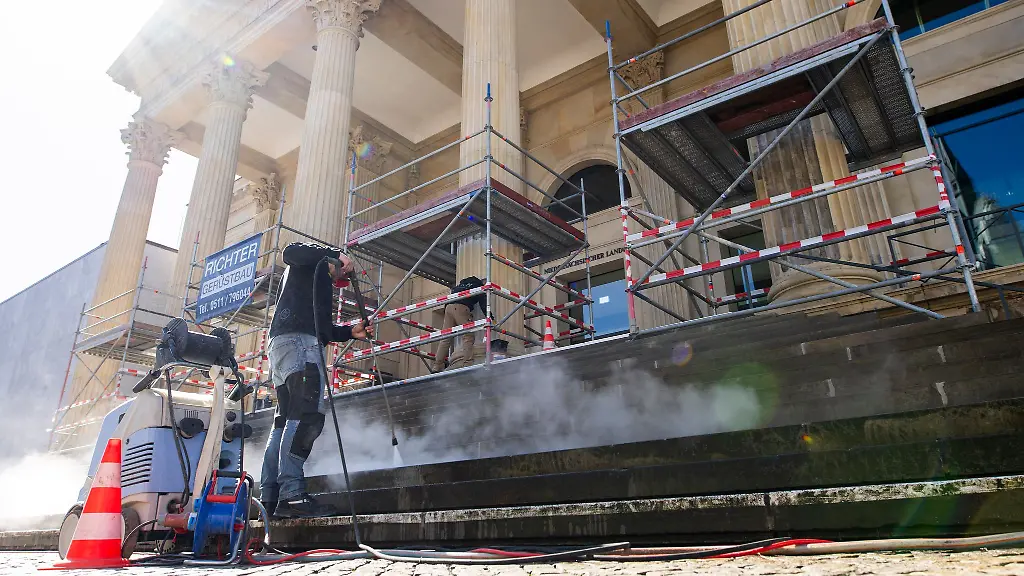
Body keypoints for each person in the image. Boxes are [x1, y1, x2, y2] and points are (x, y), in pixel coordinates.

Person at [261, 242, 371, 518]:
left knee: (285, 419)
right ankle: (292, 493)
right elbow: (289, 250)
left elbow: (322, 328)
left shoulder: (313, 283)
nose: (336, 281)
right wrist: (333, 255)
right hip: (299, 344)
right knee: (307, 415)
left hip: (286, 343)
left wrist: (350, 332)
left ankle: (271, 495)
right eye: (338, 274)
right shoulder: (309, 262)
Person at [432, 276, 487, 372]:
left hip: (448, 307)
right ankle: (467, 363)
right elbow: (484, 305)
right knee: (468, 336)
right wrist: (490, 317)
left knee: (445, 338)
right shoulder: (479, 286)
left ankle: (437, 366)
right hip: (461, 307)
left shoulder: (460, 285)